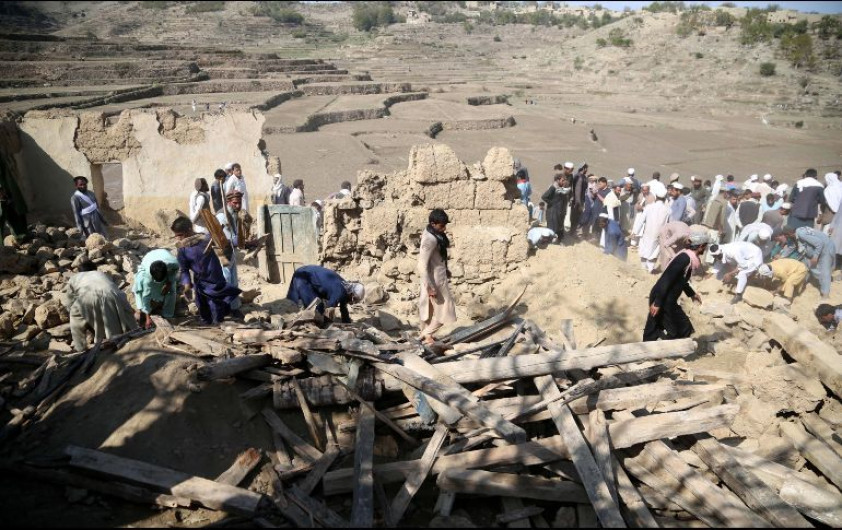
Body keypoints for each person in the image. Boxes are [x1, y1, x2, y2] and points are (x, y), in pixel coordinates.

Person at [171, 216, 241, 325]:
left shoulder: (207, 239)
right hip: (200, 282)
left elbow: (227, 243)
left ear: (189, 230)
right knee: (202, 307)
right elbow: (184, 269)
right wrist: (187, 284)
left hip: (215, 279)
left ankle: (219, 326)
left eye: (180, 235)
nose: (178, 238)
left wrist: (243, 240)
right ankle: (209, 326)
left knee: (216, 306)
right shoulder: (182, 249)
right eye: (176, 235)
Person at [643, 232, 708, 341]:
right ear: (701, 246)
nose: (705, 249)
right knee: (679, 327)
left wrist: (692, 294)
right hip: (663, 298)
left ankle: (656, 347)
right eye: (705, 246)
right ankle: (657, 350)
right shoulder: (684, 258)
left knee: (658, 325)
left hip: (667, 298)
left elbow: (680, 280)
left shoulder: (689, 258)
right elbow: (666, 279)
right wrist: (658, 302)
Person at [64, 262, 138, 352]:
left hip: (89, 297)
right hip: (116, 295)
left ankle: (80, 348)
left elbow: (69, 302)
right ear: (94, 269)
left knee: (74, 316)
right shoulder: (101, 274)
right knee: (115, 313)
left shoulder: (75, 278)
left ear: (80, 271)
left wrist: (74, 311)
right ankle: (134, 333)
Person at [417, 209, 457, 345]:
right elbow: (422, 265)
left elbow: (437, 259)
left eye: (445, 225)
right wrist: (429, 287)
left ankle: (424, 337)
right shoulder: (430, 239)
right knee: (447, 310)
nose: (444, 228)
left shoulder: (433, 233)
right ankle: (426, 333)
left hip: (437, 277)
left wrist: (445, 269)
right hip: (434, 281)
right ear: (433, 224)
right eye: (441, 226)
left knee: (428, 309)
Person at [287, 265, 364, 323]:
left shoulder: (344, 286)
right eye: (354, 299)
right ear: (351, 293)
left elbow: (343, 308)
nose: (352, 302)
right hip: (304, 277)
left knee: (317, 306)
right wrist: (328, 324)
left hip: (306, 274)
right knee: (317, 309)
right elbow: (328, 309)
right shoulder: (340, 292)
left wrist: (347, 322)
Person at [133, 248, 179, 328]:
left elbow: (175, 270)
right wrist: (148, 318)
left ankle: (168, 315)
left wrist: (169, 282)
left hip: (164, 254)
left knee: (171, 290)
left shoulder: (173, 264)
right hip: (149, 258)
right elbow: (146, 298)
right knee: (140, 289)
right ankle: (143, 313)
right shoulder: (147, 277)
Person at [634, 186, 670, 273]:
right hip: (658, 234)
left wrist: (635, 232)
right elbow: (667, 224)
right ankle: (650, 269)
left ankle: (643, 269)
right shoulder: (667, 210)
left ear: (656, 197)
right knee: (653, 252)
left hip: (647, 232)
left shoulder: (649, 207)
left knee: (644, 250)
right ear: (664, 198)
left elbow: (641, 220)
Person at [794, 226, 837, 299]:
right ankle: (801, 284)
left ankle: (825, 295)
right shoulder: (796, 234)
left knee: (824, 271)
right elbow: (791, 248)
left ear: (788, 234)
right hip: (816, 249)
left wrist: (815, 257)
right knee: (805, 265)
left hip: (826, 248)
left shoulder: (801, 234)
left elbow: (819, 243)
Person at [542, 173, 570, 242]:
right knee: (551, 227)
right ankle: (548, 241)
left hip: (556, 211)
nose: (563, 182)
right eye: (562, 180)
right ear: (558, 180)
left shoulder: (559, 188)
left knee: (555, 226)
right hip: (552, 212)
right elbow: (544, 197)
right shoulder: (553, 187)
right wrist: (552, 203)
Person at [570, 163, 589, 232]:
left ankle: (573, 231)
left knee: (577, 216)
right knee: (575, 217)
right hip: (577, 201)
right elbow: (578, 191)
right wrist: (578, 203)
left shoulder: (583, 176)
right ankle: (572, 232)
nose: (587, 170)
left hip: (580, 200)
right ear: (583, 168)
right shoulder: (580, 177)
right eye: (586, 168)